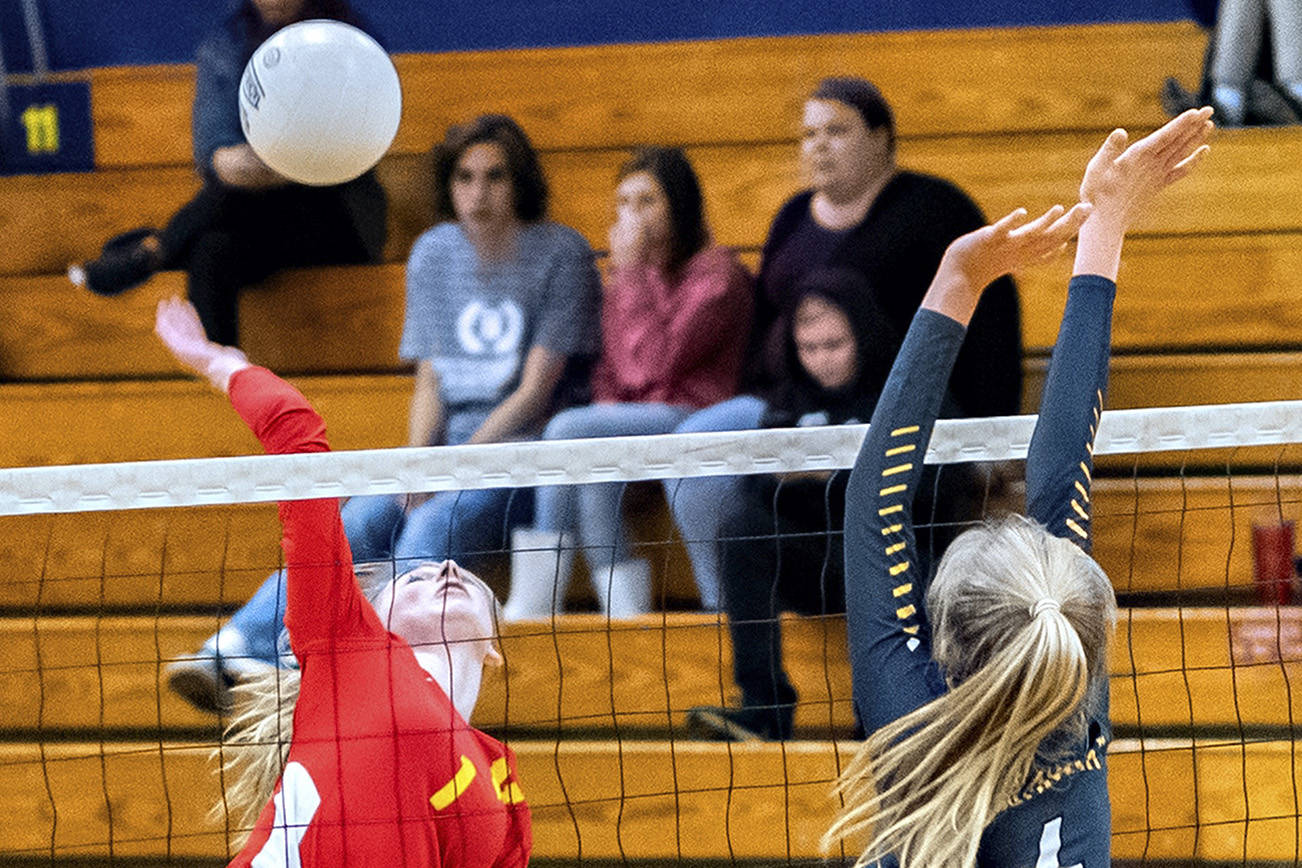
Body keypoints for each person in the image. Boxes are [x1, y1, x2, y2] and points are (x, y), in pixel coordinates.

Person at [825, 109, 1212, 868]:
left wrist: (961, 278)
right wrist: (1103, 227)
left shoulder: (914, 717)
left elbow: (873, 499)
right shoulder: (1068, 688)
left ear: (945, 636)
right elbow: (1061, 463)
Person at [166, 114, 600, 714]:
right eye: (465, 178)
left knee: (427, 529)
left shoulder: (561, 254)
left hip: (517, 455)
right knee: (362, 518)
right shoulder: (433, 253)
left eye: (495, 177)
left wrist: (453, 466)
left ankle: (357, 675)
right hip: (444, 452)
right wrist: (418, 464)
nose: (478, 193)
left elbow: (535, 393)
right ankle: (237, 645)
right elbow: (429, 383)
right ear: (447, 186)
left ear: (520, 183)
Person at [154, 297, 532, 867]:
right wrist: (217, 360)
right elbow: (299, 438)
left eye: (465, 578)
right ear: (374, 618)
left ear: (494, 647)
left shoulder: (502, 781)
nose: (448, 569)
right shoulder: (347, 647)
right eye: (417, 576)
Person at [666, 76, 1022, 609]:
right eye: (809, 134)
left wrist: (992, 433)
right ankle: (729, 609)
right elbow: (765, 325)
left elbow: (992, 319)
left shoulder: (936, 209)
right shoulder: (791, 216)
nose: (819, 145)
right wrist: (768, 407)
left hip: (901, 409)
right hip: (794, 405)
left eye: (837, 130)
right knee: (695, 450)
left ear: (881, 138)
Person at [505, 147, 752, 619]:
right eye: (623, 203)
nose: (632, 216)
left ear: (678, 205)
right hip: (641, 419)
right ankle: (627, 617)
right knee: (595, 474)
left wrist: (631, 274)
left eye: (646, 202)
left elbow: (655, 366)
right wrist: (609, 411)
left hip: (695, 417)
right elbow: (610, 369)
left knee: (563, 433)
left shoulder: (719, 277)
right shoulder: (627, 279)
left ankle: (535, 603)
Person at [69, 0, 388, 346]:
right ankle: (222, 383)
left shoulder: (348, 41)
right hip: (253, 218)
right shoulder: (226, 46)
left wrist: (280, 161)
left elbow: (346, 148)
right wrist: (278, 159)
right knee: (211, 249)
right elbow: (218, 156)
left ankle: (155, 249)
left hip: (335, 216)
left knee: (238, 199)